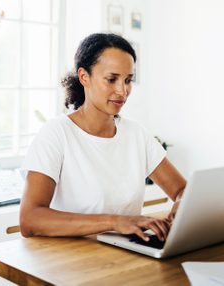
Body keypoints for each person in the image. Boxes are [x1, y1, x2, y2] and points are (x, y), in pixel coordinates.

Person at [20, 33, 186, 242]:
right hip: (71, 263)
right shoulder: (56, 134)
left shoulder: (136, 135)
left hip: (128, 257)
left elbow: (182, 190)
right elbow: (30, 219)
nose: (122, 91)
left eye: (128, 80)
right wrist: (115, 222)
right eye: (111, 79)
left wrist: (182, 206)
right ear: (84, 77)